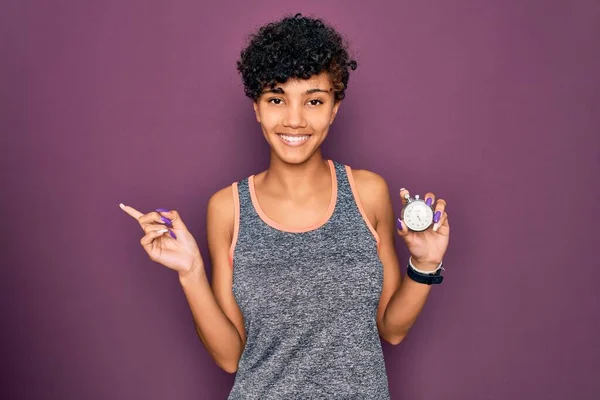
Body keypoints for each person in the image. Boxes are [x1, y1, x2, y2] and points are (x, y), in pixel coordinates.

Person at [120, 13, 450, 399]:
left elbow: (391, 329)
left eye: (313, 101)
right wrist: (191, 271)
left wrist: (425, 265)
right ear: (257, 107)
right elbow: (229, 357)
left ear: (334, 108)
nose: (294, 120)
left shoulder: (368, 192)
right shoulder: (228, 208)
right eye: (276, 98)